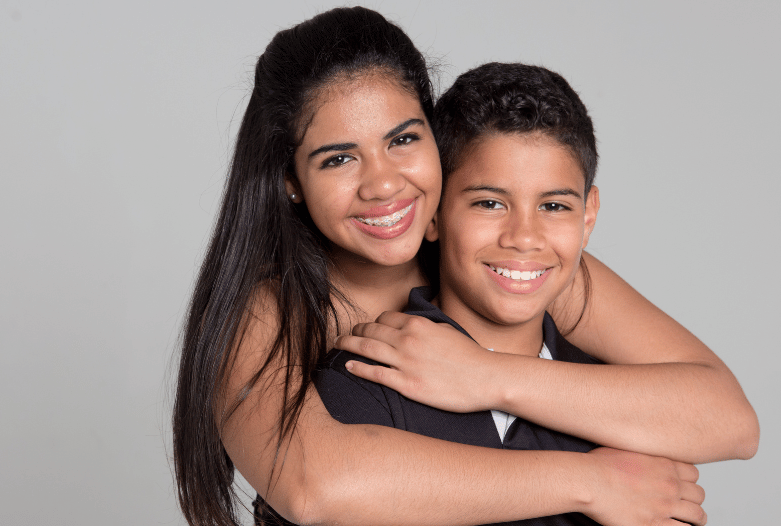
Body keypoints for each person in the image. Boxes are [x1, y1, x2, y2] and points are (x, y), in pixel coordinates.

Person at [173, 7, 758, 526]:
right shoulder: (266, 314)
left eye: (402, 139)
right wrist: (590, 483)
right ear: (289, 181)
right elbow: (314, 487)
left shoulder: (501, 257)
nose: (383, 184)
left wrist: (487, 376)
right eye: (339, 158)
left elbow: (728, 419)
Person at [300, 61, 703, 526]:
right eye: (489, 203)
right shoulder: (363, 386)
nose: (524, 237)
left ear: (588, 217)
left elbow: (732, 425)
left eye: (554, 206)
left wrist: (486, 375)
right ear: (431, 213)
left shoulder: (629, 416)